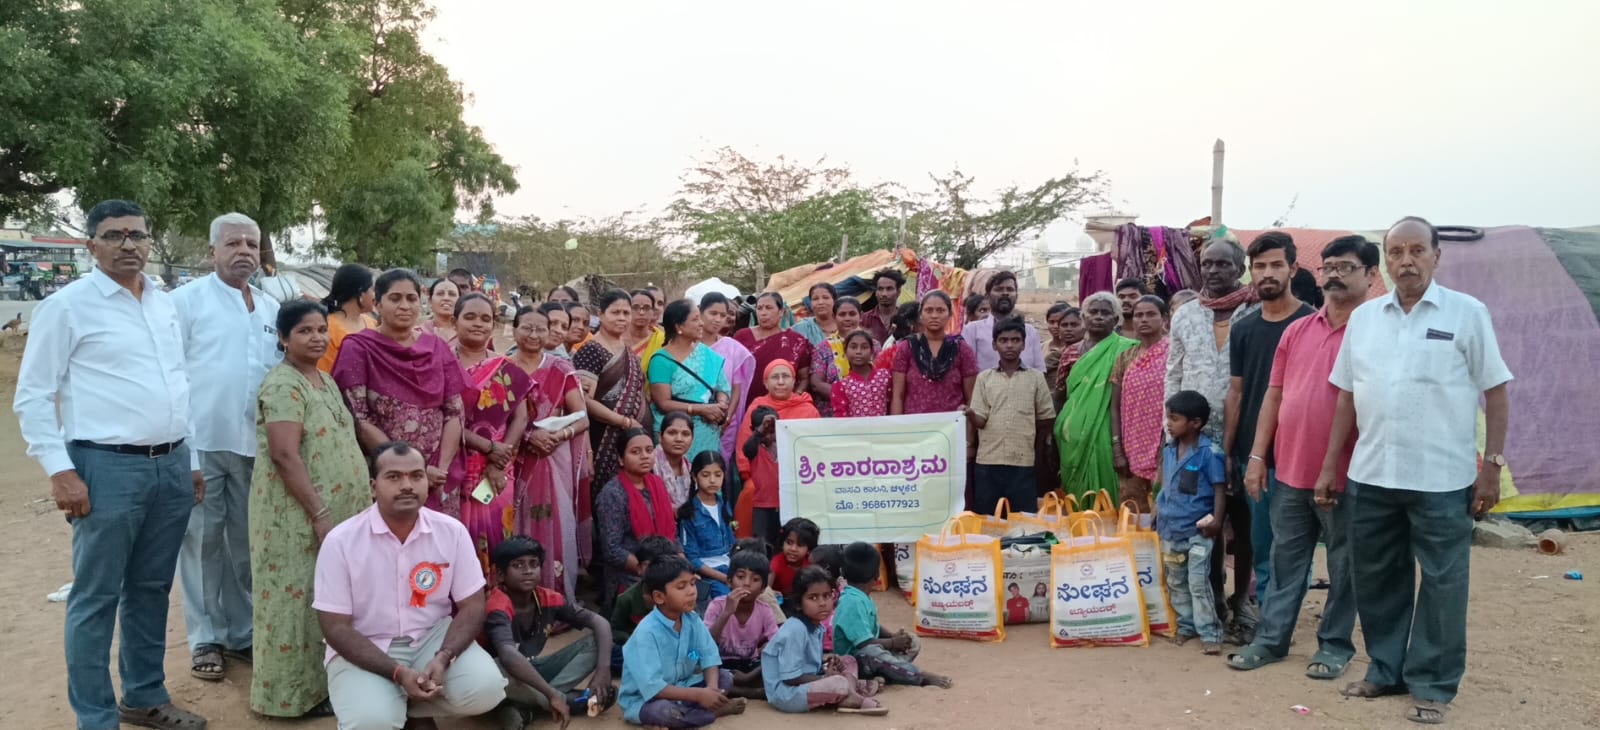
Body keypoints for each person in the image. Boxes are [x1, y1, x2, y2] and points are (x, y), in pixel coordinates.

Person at [13, 199, 208, 730]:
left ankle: (144, 696)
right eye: (115, 235)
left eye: (138, 235)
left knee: (151, 588)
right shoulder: (67, 307)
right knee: (95, 597)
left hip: (171, 464)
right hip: (105, 468)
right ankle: (96, 717)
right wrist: (60, 471)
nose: (129, 245)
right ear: (91, 245)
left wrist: (190, 459)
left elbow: (178, 385)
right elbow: (33, 396)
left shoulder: (163, 304)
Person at [1319, 217, 1512, 725]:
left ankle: (1433, 684)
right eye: (1396, 252)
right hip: (1372, 475)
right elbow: (1347, 395)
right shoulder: (1365, 319)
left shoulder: (1467, 313)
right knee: (1377, 580)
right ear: (1385, 260)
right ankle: (1386, 670)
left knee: (1444, 585)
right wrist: (1330, 465)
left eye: (1416, 251)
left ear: (1436, 256)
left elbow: (1496, 392)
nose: (1406, 261)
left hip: (1442, 479)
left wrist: (1492, 467)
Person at [1227, 235, 1377, 679]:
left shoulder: (1376, 331)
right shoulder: (1298, 331)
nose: (1334, 275)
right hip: (1290, 471)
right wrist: (1258, 457)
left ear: (1371, 275)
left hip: (1348, 474)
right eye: (1329, 267)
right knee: (1284, 561)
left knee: (1343, 565)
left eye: (1346, 267)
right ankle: (1271, 640)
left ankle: (1334, 646)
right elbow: (1273, 397)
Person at [314, 441, 506, 728]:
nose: (407, 485)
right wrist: (397, 672)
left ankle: (408, 705)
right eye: (393, 477)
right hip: (366, 644)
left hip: (432, 637)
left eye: (416, 476)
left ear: (427, 482)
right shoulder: (341, 541)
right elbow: (335, 627)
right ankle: (390, 703)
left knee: (486, 690)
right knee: (371, 723)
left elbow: (473, 605)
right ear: (373, 487)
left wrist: (444, 657)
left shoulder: (451, 531)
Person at [171, 213, 282, 683]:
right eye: (233, 243)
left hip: (254, 447)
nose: (244, 252)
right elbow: (171, 377)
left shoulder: (271, 308)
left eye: (251, 244)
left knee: (245, 542)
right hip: (202, 444)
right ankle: (206, 638)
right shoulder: (185, 302)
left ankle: (241, 632)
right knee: (201, 541)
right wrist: (187, 454)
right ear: (212, 251)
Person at [248, 300, 372, 718]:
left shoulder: (323, 379)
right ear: (283, 338)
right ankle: (289, 699)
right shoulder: (283, 385)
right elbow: (284, 455)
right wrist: (319, 514)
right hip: (297, 517)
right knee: (295, 601)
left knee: (327, 598)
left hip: (335, 514)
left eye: (321, 329)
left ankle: (323, 685)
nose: (317, 338)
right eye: (304, 331)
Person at [1223, 231, 1316, 637]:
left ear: (1293, 269)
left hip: (1300, 454)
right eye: (1259, 266)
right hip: (1255, 456)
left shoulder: (1313, 324)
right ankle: (1271, 622)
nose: (1267, 273)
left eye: (1276, 265)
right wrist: (1229, 452)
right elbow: (1237, 393)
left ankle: (1282, 623)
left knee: (1294, 545)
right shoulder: (1244, 329)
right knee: (1262, 542)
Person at [1164, 239, 1259, 631]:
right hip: (1196, 438)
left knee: (1244, 520)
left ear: (1240, 268)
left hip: (1247, 432)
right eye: (1207, 264)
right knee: (1205, 519)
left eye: (1223, 264)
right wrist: (1171, 432)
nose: (1213, 271)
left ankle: (1243, 599)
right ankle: (1214, 597)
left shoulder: (1257, 311)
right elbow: (1174, 372)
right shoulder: (1186, 315)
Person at [332, 269, 466, 516]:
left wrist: (440, 469)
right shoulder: (359, 348)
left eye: (411, 298)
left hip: (439, 475)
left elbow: (454, 413)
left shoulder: (437, 348)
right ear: (377, 304)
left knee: (437, 538)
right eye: (395, 298)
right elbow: (358, 419)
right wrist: (414, 469)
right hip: (386, 472)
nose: (405, 306)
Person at [483, 537, 616, 730]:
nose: (528, 570)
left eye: (534, 564)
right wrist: (553, 695)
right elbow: (508, 656)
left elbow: (600, 623)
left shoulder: (547, 598)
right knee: (496, 669)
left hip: (530, 671)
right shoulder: (497, 605)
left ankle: (525, 707)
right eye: (518, 565)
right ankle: (566, 700)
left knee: (598, 642)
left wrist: (603, 670)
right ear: (501, 575)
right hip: (501, 677)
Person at [507, 306, 590, 598]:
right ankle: (514, 600)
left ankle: (552, 597)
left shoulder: (561, 370)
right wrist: (529, 435)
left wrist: (558, 436)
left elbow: (582, 418)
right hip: (512, 458)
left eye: (541, 328)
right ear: (513, 330)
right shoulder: (502, 368)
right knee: (513, 521)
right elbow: (492, 419)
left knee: (551, 522)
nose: (534, 334)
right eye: (526, 328)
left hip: (551, 458)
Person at [453, 293, 533, 574]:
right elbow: (439, 419)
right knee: (458, 538)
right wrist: (488, 448)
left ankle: (498, 594)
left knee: (500, 533)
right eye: (470, 317)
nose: (478, 323)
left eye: (485, 318)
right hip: (455, 464)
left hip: (498, 468)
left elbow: (520, 416)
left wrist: (499, 460)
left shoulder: (505, 367)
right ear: (455, 321)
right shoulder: (441, 364)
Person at [619, 556, 749, 727]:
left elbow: (709, 657)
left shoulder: (692, 619)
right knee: (662, 711)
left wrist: (711, 689)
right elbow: (654, 688)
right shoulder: (646, 633)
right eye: (681, 587)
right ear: (659, 597)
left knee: (725, 678)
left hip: (684, 687)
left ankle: (690, 715)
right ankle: (710, 713)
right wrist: (699, 695)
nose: (691, 592)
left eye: (692, 583)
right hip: (647, 698)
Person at [1154, 391, 1228, 655]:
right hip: (1171, 528)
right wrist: (1156, 511)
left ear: (1195, 423)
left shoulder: (1210, 453)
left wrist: (1217, 521)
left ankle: (1210, 632)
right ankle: (1186, 626)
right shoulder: (1169, 451)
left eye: (1174, 419)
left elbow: (1219, 489)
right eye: (1168, 418)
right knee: (1176, 581)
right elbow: (1166, 485)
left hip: (1198, 530)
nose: (1169, 424)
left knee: (1198, 582)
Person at [762, 566, 887, 715]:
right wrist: (824, 677)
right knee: (838, 682)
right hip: (787, 694)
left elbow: (806, 662)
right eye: (813, 598)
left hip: (805, 681)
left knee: (848, 660)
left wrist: (826, 663)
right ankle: (852, 694)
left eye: (827, 596)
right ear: (799, 602)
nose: (822, 603)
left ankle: (850, 692)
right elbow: (791, 678)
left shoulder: (817, 626)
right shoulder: (795, 629)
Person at [967, 317, 1055, 514]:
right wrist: (970, 413)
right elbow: (981, 421)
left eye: (1015, 340)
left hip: (1023, 461)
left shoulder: (1035, 377)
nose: (1009, 345)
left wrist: (1035, 446)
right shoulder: (984, 378)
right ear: (994, 345)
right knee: (988, 517)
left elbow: (1046, 417)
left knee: (1021, 518)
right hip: (989, 461)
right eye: (1003, 340)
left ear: (1023, 344)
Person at [834, 543, 953, 688]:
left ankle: (890, 673)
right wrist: (892, 643)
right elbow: (863, 643)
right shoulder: (851, 602)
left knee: (912, 641)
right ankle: (920, 677)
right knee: (871, 652)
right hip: (855, 662)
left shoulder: (860, 596)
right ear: (877, 574)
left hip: (871, 656)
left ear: (843, 572)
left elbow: (872, 627)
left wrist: (893, 636)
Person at [1054, 292, 1136, 503]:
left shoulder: (1127, 350)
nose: (1099, 316)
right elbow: (1060, 393)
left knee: (1108, 494)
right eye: (1093, 312)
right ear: (1083, 317)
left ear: (1115, 320)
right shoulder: (1071, 352)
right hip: (1072, 434)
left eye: (1105, 313)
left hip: (1109, 431)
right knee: (1074, 496)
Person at [573, 289, 650, 491]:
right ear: (601, 314)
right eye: (615, 312)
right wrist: (624, 421)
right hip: (602, 437)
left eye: (626, 313)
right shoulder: (591, 350)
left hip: (632, 438)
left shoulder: (627, 350)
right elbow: (583, 401)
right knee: (605, 493)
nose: (622, 318)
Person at [596, 429, 679, 611]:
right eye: (635, 452)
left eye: (649, 450)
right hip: (632, 573)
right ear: (620, 459)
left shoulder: (657, 484)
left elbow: (672, 532)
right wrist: (651, 571)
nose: (644, 456)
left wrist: (680, 565)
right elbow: (612, 549)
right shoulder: (612, 494)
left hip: (664, 565)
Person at [649, 299, 732, 461]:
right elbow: (663, 404)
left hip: (707, 433)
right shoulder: (661, 360)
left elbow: (722, 387)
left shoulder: (706, 354)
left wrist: (720, 405)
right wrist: (701, 409)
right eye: (695, 319)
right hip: (676, 433)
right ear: (679, 327)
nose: (701, 323)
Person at [1109, 296, 1172, 511]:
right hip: (1131, 449)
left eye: (1150, 314)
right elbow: (1115, 406)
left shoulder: (1173, 353)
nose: (1144, 319)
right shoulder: (1125, 357)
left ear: (1164, 319)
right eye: (1139, 315)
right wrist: (1117, 449)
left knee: (1163, 512)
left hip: (1165, 446)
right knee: (1132, 514)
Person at [704, 551, 780, 698]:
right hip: (720, 664)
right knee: (709, 673)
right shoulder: (717, 606)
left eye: (755, 579)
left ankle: (741, 685)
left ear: (763, 588)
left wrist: (749, 675)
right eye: (740, 577)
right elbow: (706, 643)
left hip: (749, 665)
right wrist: (726, 613)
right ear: (729, 581)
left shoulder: (764, 610)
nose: (746, 583)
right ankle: (748, 692)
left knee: (776, 666)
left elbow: (777, 644)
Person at [890, 291, 978, 415]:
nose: (934, 316)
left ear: (950, 314)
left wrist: (968, 425)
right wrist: (898, 424)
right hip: (915, 423)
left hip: (952, 424)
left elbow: (971, 398)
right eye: (929, 310)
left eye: (940, 310)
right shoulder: (907, 348)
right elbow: (898, 396)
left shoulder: (961, 348)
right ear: (920, 315)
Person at [700, 292, 755, 464]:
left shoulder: (732, 347)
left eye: (722, 315)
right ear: (700, 313)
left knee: (719, 467)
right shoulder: (688, 345)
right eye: (713, 313)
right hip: (694, 417)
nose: (718, 319)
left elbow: (737, 388)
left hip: (725, 420)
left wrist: (727, 418)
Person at [610, 535, 682, 666]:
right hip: (638, 647)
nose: (657, 572)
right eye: (650, 566)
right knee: (615, 656)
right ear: (640, 568)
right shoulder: (627, 599)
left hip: (670, 646)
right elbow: (615, 630)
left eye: (664, 567)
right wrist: (634, 640)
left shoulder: (678, 596)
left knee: (694, 653)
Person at [678, 451, 737, 608]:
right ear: (694, 477)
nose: (712, 480)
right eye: (705, 475)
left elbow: (732, 544)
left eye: (718, 475)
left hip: (731, 568)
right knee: (727, 602)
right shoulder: (689, 513)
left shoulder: (724, 504)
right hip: (708, 574)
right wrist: (724, 578)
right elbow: (691, 558)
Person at [734, 292, 814, 400]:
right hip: (745, 403)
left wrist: (794, 398)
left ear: (781, 312)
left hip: (783, 404)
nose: (763, 313)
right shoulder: (742, 336)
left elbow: (804, 378)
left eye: (769, 308)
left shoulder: (796, 341)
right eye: (759, 308)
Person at [960, 271, 1045, 371]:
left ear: (1016, 296)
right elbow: (968, 371)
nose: (1005, 293)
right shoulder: (972, 330)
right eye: (999, 289)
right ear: (987, 296)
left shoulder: (1031, 332)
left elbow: (1039, 371)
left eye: (1010, 289)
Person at [807, 296, 869, 416]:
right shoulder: (823, 348)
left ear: (861, 316)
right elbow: (816, 384)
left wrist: (862, 398)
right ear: (834, 317)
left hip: (867, 410)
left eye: (852, 314)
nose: (847, 318)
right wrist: (850, 396)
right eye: (842, 314)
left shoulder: (873, 345)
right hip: (833, 413)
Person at [318, 263, 377, 373]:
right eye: (372, 290)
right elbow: (324, 374)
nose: (375, 295)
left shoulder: (372, 323)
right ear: (361, 293)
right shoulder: (327, 329)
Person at [830, 330, 892, 418]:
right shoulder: (841, 386)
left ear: (872, 352)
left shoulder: (885, 376)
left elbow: (893, 405)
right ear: (845, 352)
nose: (858, 351)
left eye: (864, 347)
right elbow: (840, 418)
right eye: (853, 347)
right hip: (855, 427)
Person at [654, 411, 696, 507]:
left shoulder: (691, 470)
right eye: (672, 433)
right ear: (660, 437)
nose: (679, 439)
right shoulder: (649, 466)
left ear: (692, 440)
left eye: (685, 434)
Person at [770, 517, 819, 597]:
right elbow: (764, 591)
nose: (793, 549)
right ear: (782, 543)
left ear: (809, 549)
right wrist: (771, 593)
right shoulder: (776, 563)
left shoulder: (811, 563)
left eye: (800, 545)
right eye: (789, 543)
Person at [790, 282, 841, 347]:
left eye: (825, 298)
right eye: (815, 299)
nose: (820, 302)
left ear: (835, 301)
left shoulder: (846, 323)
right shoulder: (799, 329)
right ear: (810, 303)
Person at [861, 268, 905, 343]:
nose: (884, 294)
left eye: (889, 289)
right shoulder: (864, 319)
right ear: (875, 292)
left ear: (898, 291)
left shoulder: (906, 319)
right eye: (880, 289)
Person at [625, 289, 666, 367]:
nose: (641, 312)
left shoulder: (662, 340)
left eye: (647, 308)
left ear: (653, 311)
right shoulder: (615, 338)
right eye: (635, 307)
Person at [420, 277, 461, 346]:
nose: (446, 298)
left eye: (452, 294)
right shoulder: (418, 332)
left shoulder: (468, 333)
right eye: (440, 294)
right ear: (430, 301)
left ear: (460, 300)